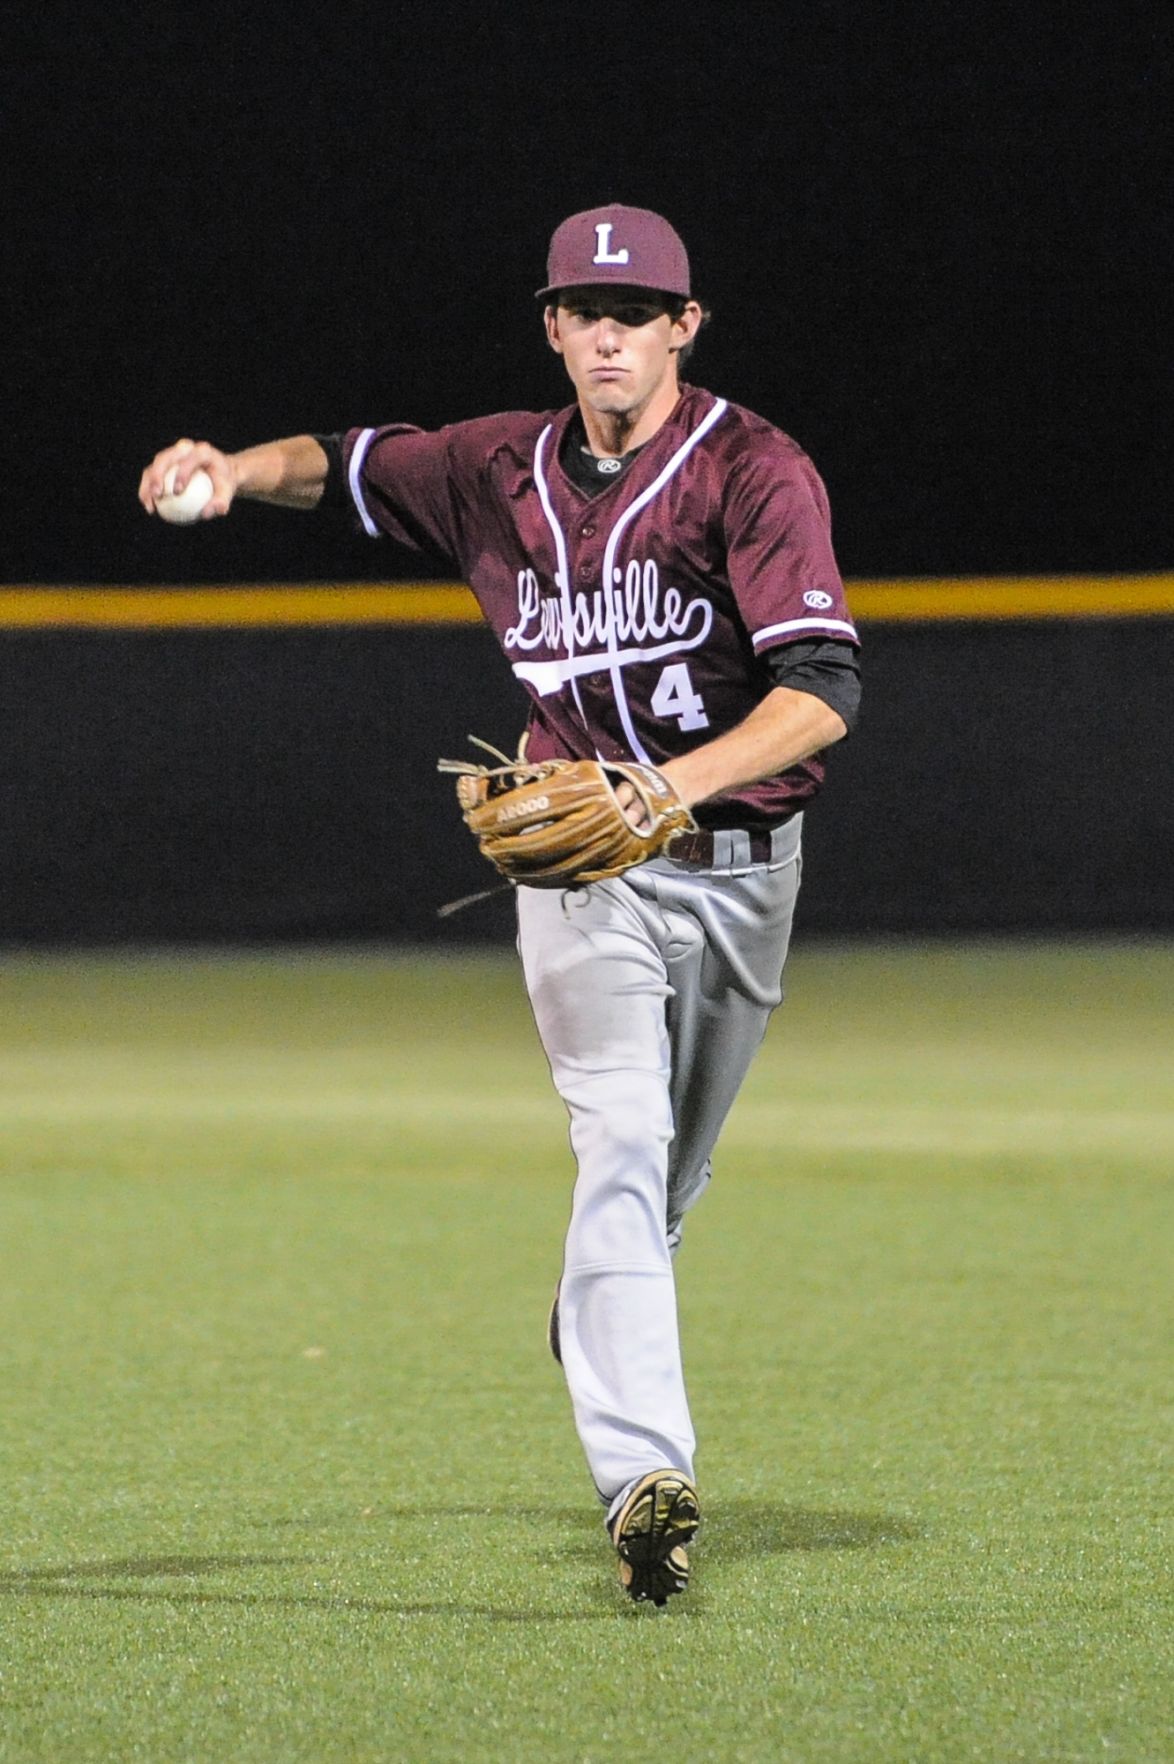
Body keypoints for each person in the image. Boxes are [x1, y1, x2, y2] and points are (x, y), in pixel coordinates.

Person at [139, 203, 861, 1608]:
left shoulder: (754, 472)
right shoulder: (492, 465)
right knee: (621, 1141)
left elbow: (820, 697)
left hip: (736, 871)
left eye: (640, 310)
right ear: (552, 326)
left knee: (661, 1184)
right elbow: (341, 465)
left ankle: (601, 1305)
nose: (612, 332)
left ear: (682, 326)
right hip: (578, 868)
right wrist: (231, 470)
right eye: (588, 311)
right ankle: (646, 1477)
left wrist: (671, 788)